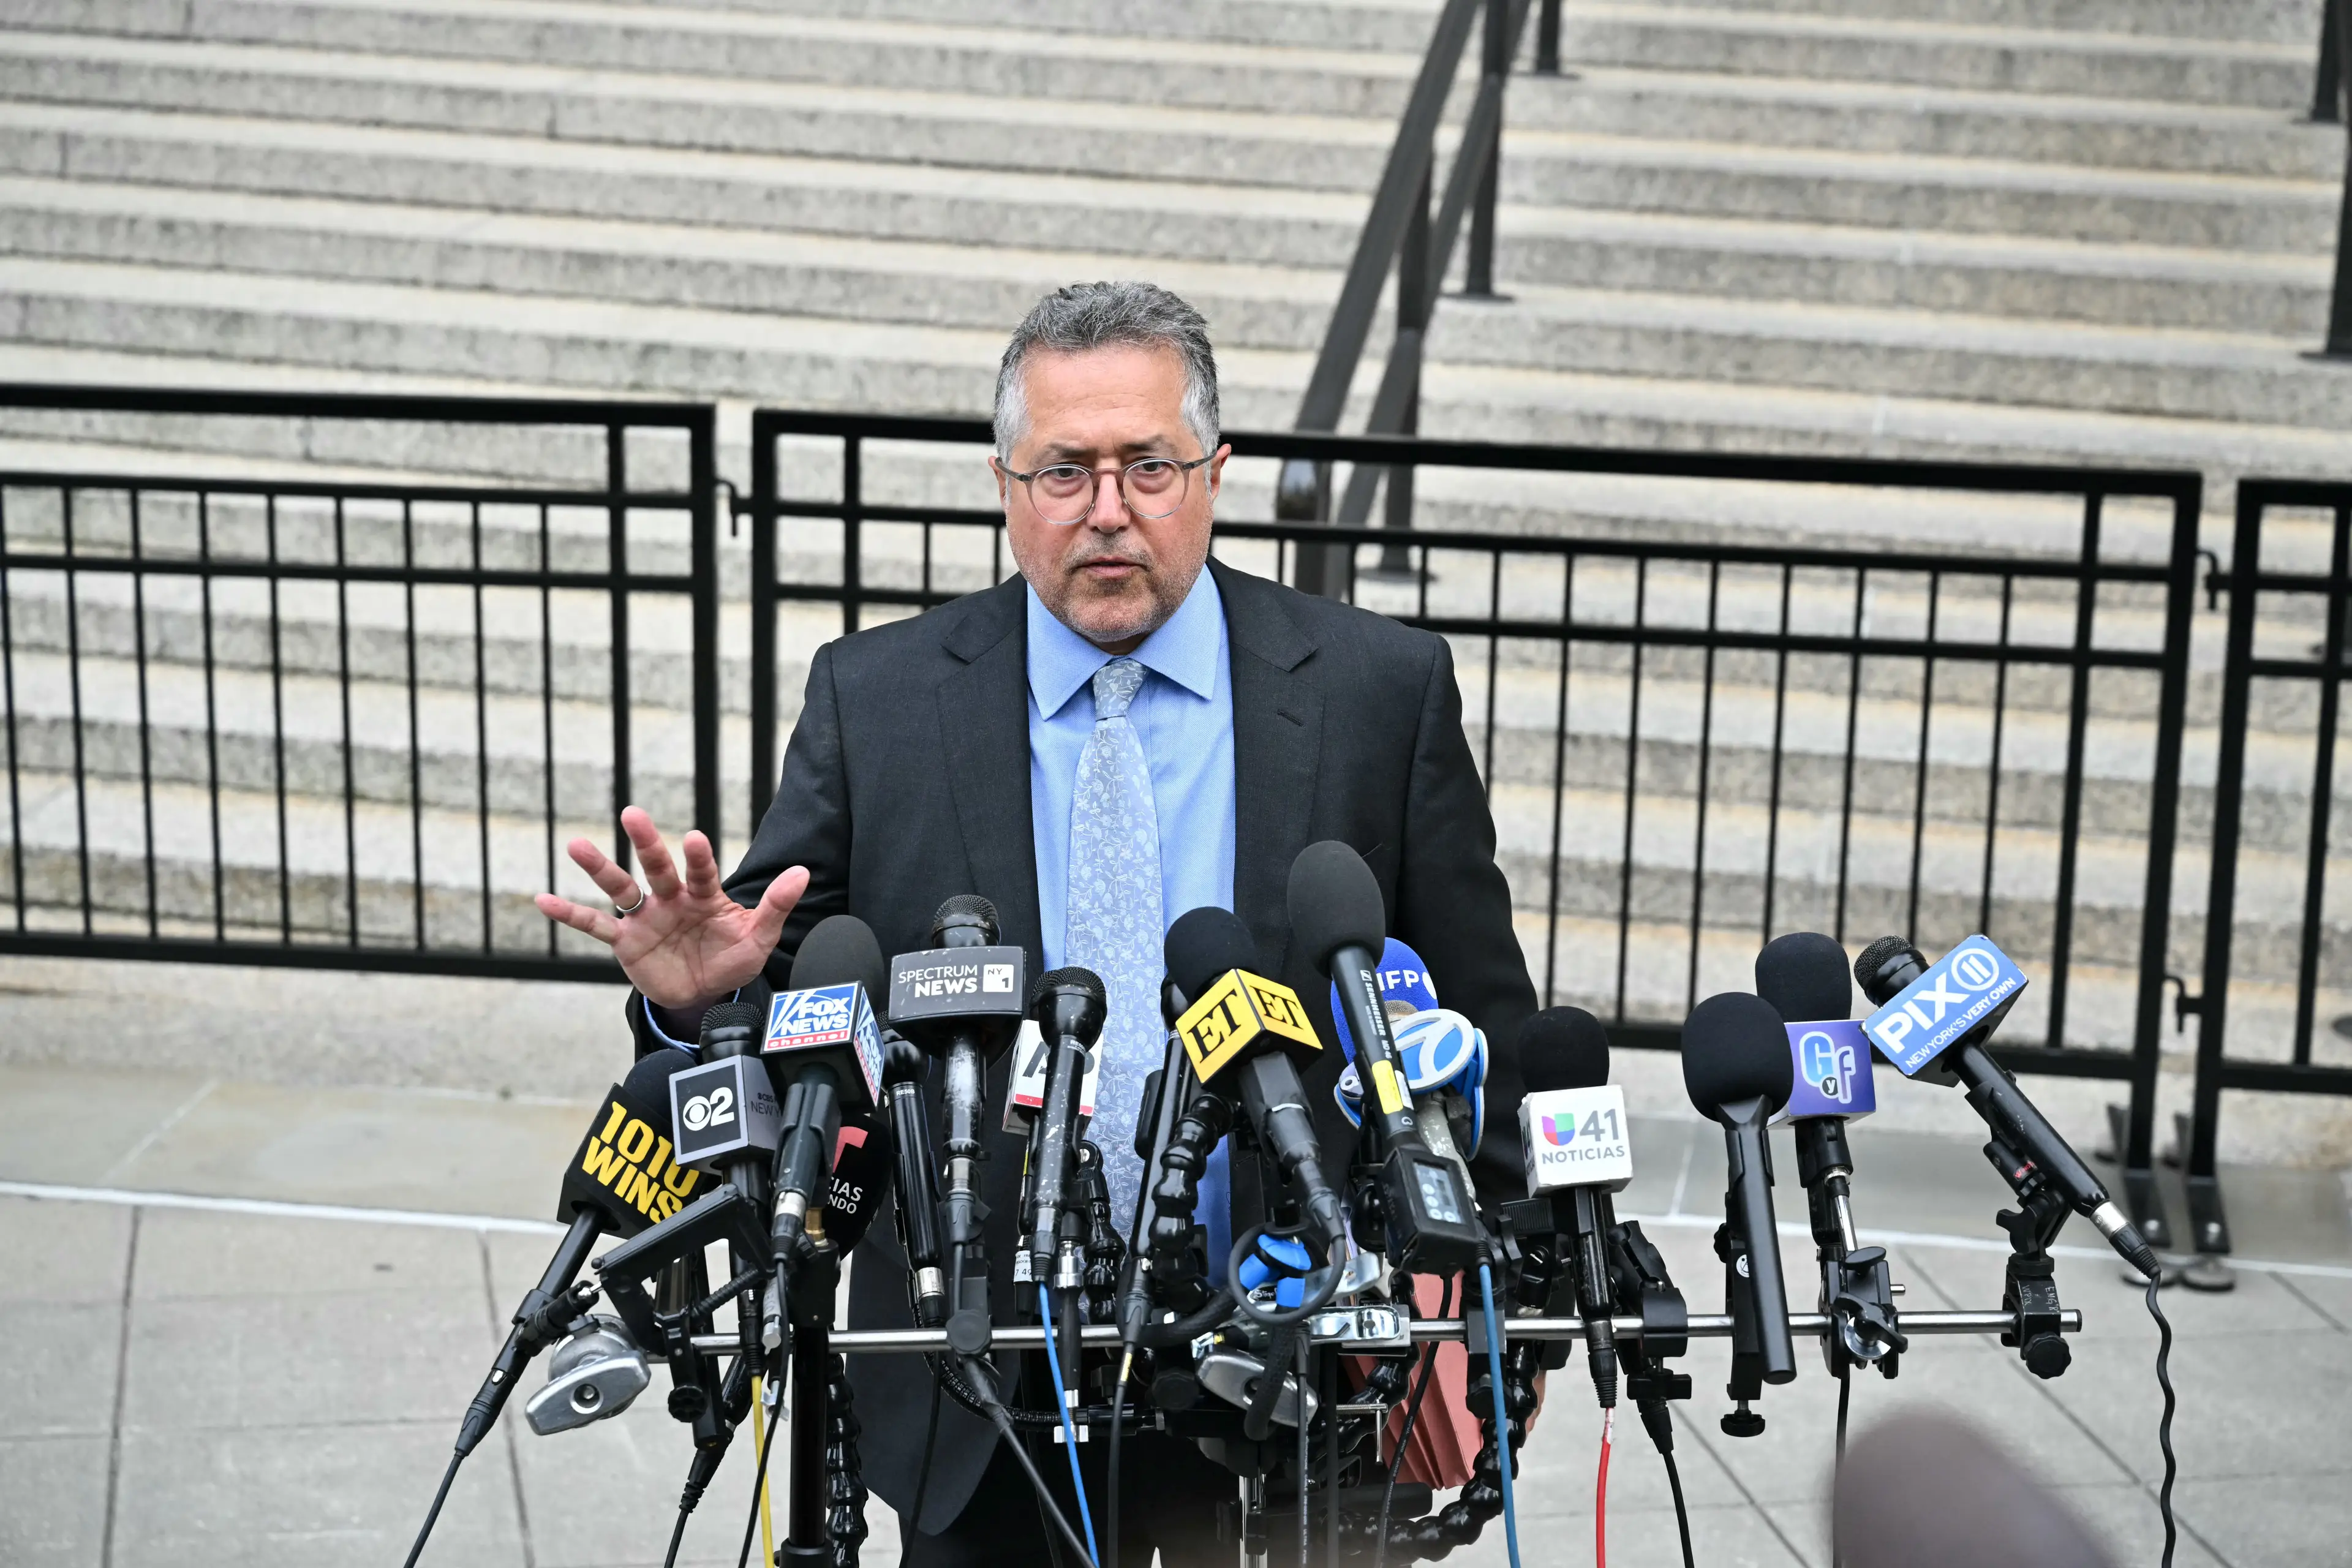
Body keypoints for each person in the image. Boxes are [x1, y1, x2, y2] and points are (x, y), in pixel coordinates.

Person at [536, 281, 1537, 1567]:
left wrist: (1491, 1327)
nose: (1107, 508)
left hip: (1298, 1385)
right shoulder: (878, 698)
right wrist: (694, 996)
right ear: (1007, 483)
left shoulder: (1378, 689)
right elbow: (791, 991)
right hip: (975, 1381)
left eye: (1148, 466)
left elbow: (1483, 1021)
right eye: (1064, 468)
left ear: (1216, 471)